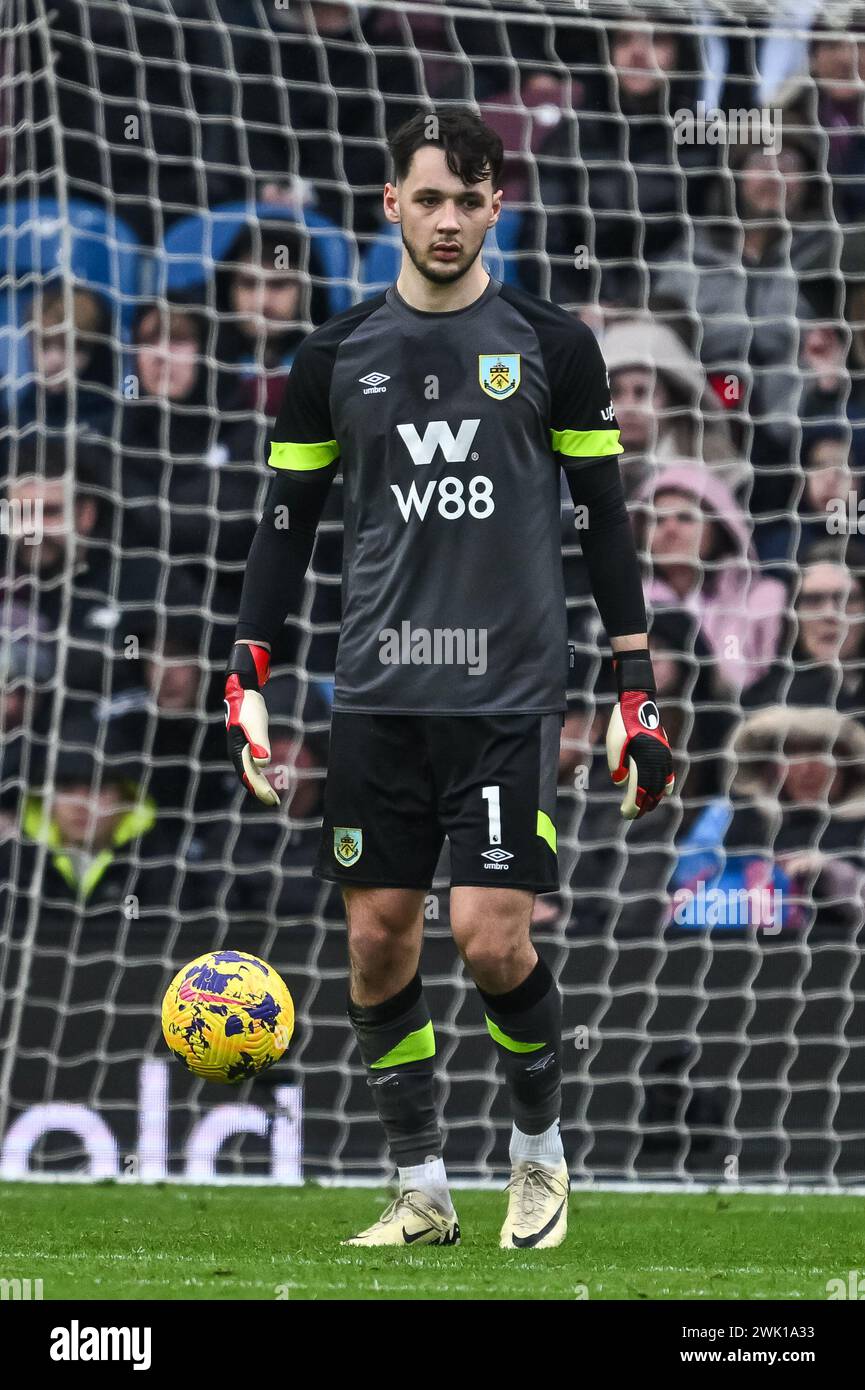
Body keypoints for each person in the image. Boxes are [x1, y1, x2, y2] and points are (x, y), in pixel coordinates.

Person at [223, 108, 674, 1249]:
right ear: (390, 204)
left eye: (469, 200)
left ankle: (538, 1157)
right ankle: (421, 1185)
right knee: (376, 939)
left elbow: (605, 524)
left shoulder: (554, 345)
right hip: (376, 688)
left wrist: (637, 693)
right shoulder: (331, 356)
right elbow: (285, 526)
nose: (447, 219)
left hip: (505, 689)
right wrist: (248, 673)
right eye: (427, 197)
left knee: (488, 934)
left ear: (495, 209)